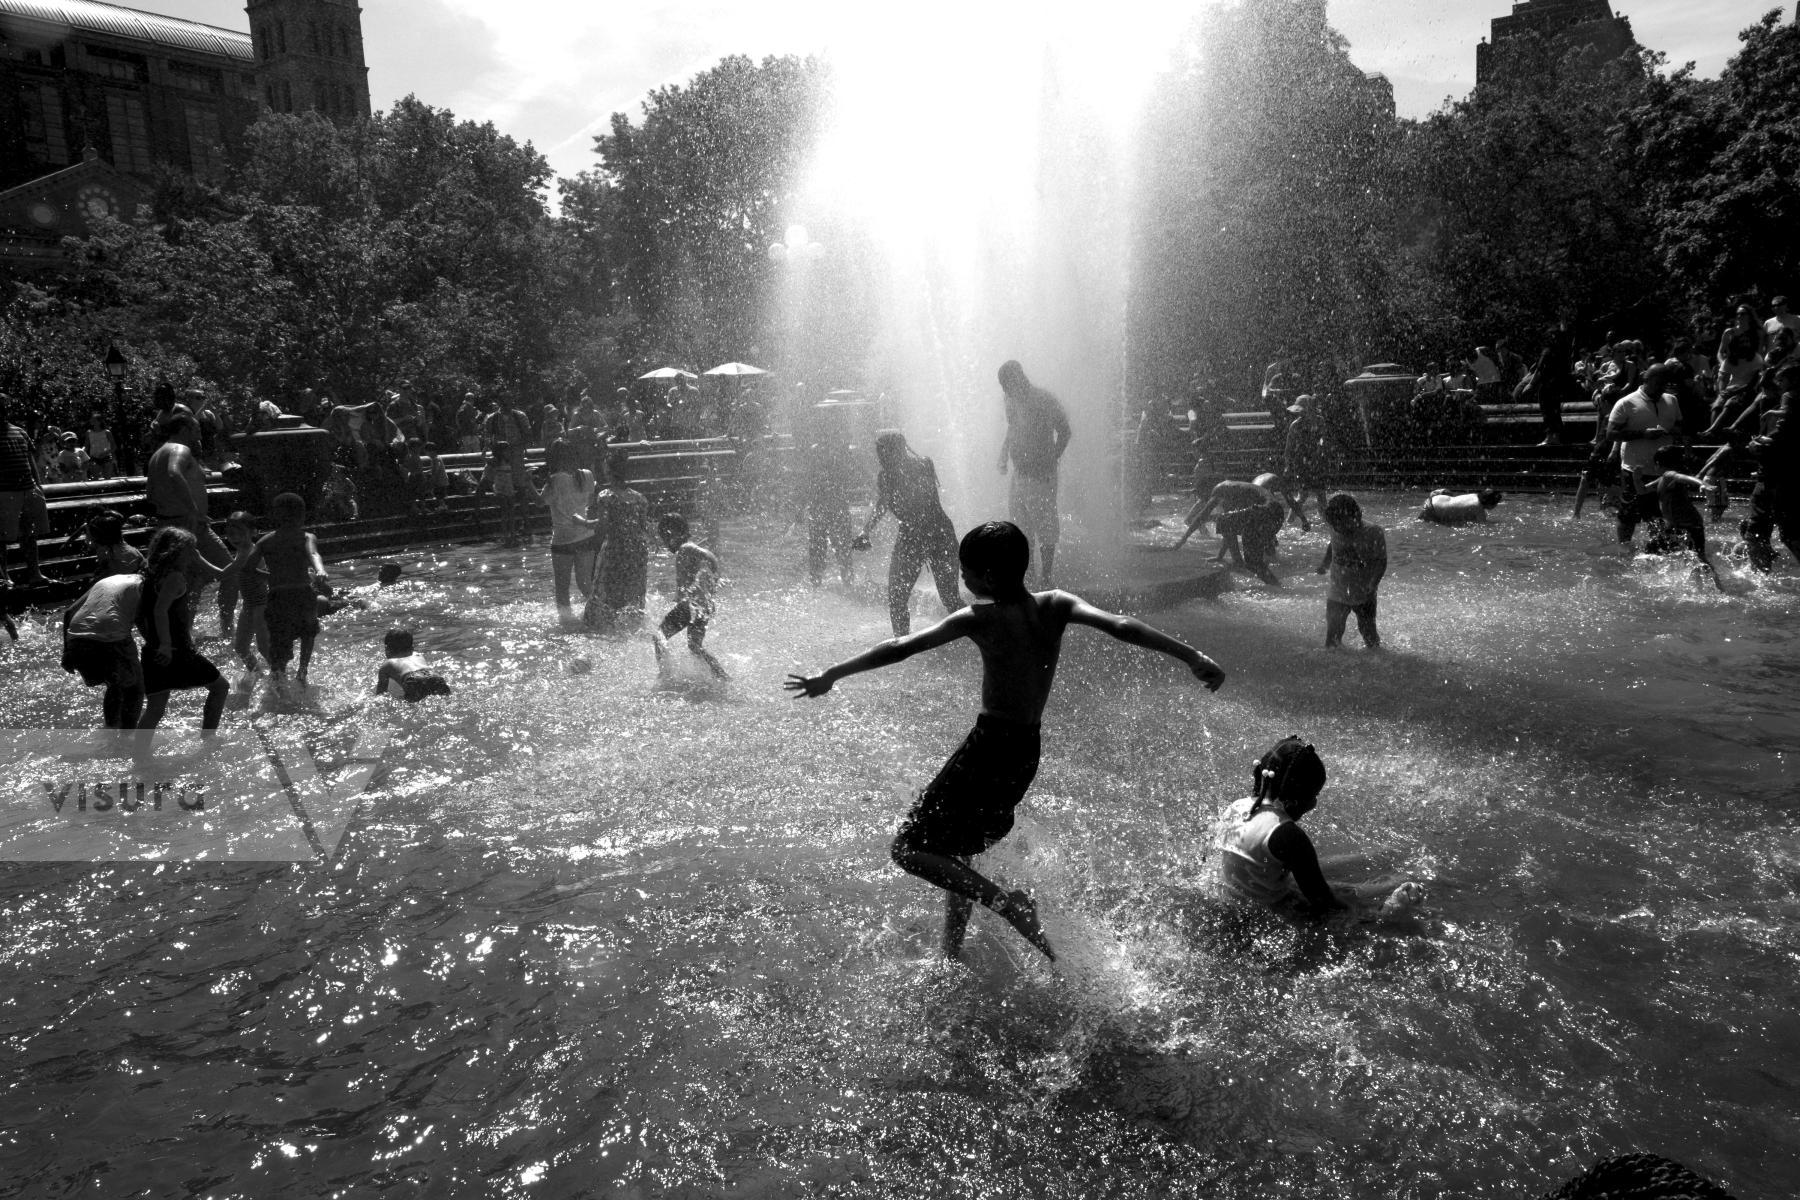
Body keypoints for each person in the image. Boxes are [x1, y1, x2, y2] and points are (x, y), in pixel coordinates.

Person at [785, 520, 1227, 962]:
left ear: (989, 577)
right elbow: (1121, 625)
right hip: (1025, 749)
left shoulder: (979, 618)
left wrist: (832, 675)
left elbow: (901, 646)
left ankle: (1007, 904)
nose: (961, 577)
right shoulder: (1056, 604)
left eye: (966, 570)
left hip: (990, 744)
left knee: (909, 848)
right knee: (954, 848)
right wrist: (1193, 656)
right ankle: (951, 950)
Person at [1214, 737, 1424, 919]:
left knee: (1342, 889)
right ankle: (1384, 914)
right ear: (1297, 799)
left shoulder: (1236, 807)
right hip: (1267, 910)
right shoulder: (1286, 835)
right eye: (1313, 796)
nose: (1314, 804)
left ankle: (1381, 885)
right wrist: (1358, 912)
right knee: (1343, 913)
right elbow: (1322, 900)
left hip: (1234, 899)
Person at [856, 430, 963, 636]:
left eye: (884, 453)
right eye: (879, 453)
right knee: (896, 597)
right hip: (914, 535)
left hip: (937, 533)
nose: (880, 458)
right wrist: (866, 531)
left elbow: (920, 501)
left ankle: (979, 634)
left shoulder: (923, 465)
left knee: (949, 598)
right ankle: (901, 645)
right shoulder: (886, 476)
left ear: (899, 451)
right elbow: (883, 503)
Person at [135, 526, 230, 732]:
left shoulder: (148, 573)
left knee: (154, 711)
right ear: (177, 551)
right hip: (175, 651)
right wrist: (168, 645)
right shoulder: (175, 577)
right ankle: (209, 739)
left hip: (153, 650)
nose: (194, 553)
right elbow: (160, 611)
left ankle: (138, 756)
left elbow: (142, 614)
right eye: (191, 549)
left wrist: (157, 643)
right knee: (221, 688)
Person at [145, 410, 234, 619]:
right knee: (231, 573)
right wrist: (194, 511)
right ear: (184, 429)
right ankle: (227, 630)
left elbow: (150, 494)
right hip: (190, 526)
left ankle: (186, 632)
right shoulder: (180, 448)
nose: (200, 431)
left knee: (190, 580)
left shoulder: (158, 454)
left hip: (168, 526)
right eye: (196, 427)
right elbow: (174, 473)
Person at [242, 492, 330, 689]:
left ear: (275, 516)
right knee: (308, 632)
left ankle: (278, 681)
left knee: (280, 642)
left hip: (278, 597)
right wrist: (320, 570)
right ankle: (302, 671)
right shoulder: (306, 536)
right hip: (301, 593)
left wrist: (270, 577)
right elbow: (313, 553)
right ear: (302, 516)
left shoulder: (265, 541)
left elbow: (248, 569)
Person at [996, 360, 1072, 584]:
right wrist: (1003, 454)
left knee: (1045, 524)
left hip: (1041, 475)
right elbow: (1012, 428)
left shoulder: (1044, 400)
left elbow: (1065, 432)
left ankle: (1046, 577)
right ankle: (1028, 574)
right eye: (1003, 386)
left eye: (1006, 384)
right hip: (1019, 474)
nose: (1005, 390)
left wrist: (1051, 459)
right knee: (1020, 526)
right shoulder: (1010, 400)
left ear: (1019, 378)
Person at [1592, 362, 1682, 547]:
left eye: (1664, 384)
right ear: (1646, 379)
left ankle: (1658, 549)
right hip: (1635, 468)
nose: (1661, 388)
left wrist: (1673, 432)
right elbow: (1611, 434)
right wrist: (1643, 434)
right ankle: (1624, 548)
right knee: (1628, 515)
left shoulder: (1672, 400)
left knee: (1661, 514)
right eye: (1658, 383)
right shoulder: (1626, 403)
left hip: (1665, 470)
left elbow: (1680, 426)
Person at [60, 569, 146, 728]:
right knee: (135, 688)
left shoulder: (107, 581)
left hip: (76, 639)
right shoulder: (143, 585)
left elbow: (69, 612)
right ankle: (128, 738)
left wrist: (66, 652)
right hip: (109, 637)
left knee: (115, 684)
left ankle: (110, 731)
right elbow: (143, 622)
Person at [652, 513, 728, 679]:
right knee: (694, 646)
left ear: (671, 533)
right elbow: (709, 559)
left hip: (692, 605)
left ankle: (664, 676)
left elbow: (707, 557)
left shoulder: (685, 548)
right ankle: (722, 676)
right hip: (703, 605)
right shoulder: (688, 548)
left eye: (665, 539)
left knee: (659, 636)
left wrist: (711, 577)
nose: (665, 544)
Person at [1740, 361, 1800, 571]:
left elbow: (1783, 432)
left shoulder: (1789, 397)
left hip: (1773, 478)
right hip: (1789, 476)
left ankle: (1760, 577)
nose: (1778, 384)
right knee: (1789, 531)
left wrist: (1761, 443)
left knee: (1756, 530)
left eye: (1780, 380)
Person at [1174, 474, 1287, 585]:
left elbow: (1202, 516)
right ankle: (1275, 586)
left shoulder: (1219, 488)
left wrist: (1183, 540)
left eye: (1202, 496)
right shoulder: (1233, 491)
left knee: (1224, 521)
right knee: (1253, 562)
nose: (1203, 500)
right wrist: (1220, 555)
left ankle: (1276, 586)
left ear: (1206, 488)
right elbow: (1229, 529)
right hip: (1276, 513)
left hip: (1262, 512)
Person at [585, 447, 651, 631]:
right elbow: (643, 528)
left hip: (616, 549)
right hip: (637, 550)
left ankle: (606, 629)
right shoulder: (640, 498)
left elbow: (603, 525)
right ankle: (635, 628)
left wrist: (583, 522)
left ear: (608, 471)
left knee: (608, 590)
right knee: (634, 591)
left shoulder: (606, 496)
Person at [1644, 446, 1725, 591]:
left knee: (1698, 558)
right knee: (1658, 550)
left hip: (1690, 525)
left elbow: (1684, 478)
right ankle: (1672, 581)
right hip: (1677, 525)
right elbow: (1642, 489)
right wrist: (1635, 479)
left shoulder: (1669, 474)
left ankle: (1718, 586)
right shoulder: (1662, 478)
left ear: (1658, 463)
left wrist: (1703, 484)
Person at [1316, 492, 1386, 649]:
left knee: (1368, 632)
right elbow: (1332, 544)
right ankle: (1332, 664)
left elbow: (1381, 562)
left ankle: (1376, 660)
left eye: (1343, 525)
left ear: (1357, 516)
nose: (1339, 529)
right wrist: (1325, 564)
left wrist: (1372, 584)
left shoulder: (1373, 532)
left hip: (1364, 592)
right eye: (1335, 526)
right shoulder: (1335, 526)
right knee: (1333, 634)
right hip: (1337, 591)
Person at [539, 440, 598, 613]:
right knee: (585, 584)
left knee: (562, 590)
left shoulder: (554, 480)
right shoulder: (587, 474)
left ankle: (566, 626)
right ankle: (603, 614)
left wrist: (528, 482)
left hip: (562, 538)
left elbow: (540, 502)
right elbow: (591, 500)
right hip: (585, 536)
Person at [0, 392, 51, 588]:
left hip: (28, 490)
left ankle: (34, 573)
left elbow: (31, 463)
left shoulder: (20, 432)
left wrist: (38, 488)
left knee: (30, 534)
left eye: (4, 407)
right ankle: (4, 578)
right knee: (1, 539)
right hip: (4, 493)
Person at [222, 512, 271, 673]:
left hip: (261, 605)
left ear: (254, 532)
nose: (234, 536)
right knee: (241, 647)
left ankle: (280, 675)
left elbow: (221, 575)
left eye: (239, 532)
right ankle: (259, 674)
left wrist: (197, 558)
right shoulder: (243, 549)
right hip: (249, 605)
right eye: (230, 532)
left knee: (264, 647)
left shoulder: (248, 551)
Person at [1281, 395, 1329, 529]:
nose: (1300, 413)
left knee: (1321, 495)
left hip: (1317, 462)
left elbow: (1323, 438)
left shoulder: (1320, 421)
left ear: (1310, 409)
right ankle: (1288, 523)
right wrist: (1287, 466)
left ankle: (1327, 525)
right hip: (1301, 464)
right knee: (1302, 495)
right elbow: (1288, 448)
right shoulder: (1295, 425)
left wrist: (1322, 446)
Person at [372, 628, 453, 703]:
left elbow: (381, 694)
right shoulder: (417, 655)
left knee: (408, 704)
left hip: (413, 679)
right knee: (447, 701)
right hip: (434, 676)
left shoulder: (388, 664)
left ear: (387, 649)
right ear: (412, 647)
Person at [72, 509, 145, 584]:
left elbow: (110, 576)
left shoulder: (109, 555)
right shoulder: (130, 550)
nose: (92, 539)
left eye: (94, 536)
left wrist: (95, 580)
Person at [482, 441, 526, 547]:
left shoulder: (509, 460)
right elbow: (483, 458)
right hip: (500, 489)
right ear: (500, 451)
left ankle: (513, 535)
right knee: (505, 512)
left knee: (511, 513)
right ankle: (506, 536)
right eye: (505, 450)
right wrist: (485, 448)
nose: (507, 452)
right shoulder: (495, 461)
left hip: (509, 488)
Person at [1418, 489, 1503, 525]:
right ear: (1490, 504)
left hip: (1434, 499)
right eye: (1496, 503)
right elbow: (1483, 526)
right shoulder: (1479, 509)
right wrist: (1497, 524)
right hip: (1431, 511)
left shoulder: (1475, 495)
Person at [85, 412, 117, 479]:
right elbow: (86, 446)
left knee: (107, 477)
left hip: (106, 457)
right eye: (91, 420)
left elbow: (114, 447)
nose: (91, 421)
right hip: (94, 457)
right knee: (95, 477)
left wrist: (105, 453)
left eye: (94, 420)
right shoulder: (88, 432)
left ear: (99, 422)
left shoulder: (107, 432)